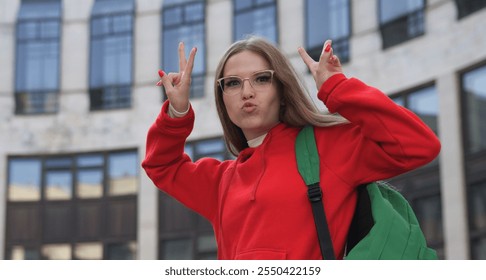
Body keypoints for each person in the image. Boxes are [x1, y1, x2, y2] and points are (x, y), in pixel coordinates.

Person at [142, 37, 441, 260]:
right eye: (232, 83)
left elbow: (419, 145)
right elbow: (162, 166)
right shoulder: (220, 181)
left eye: (261, 79)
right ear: (223, 100)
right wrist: (177, 112)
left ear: (282, 91)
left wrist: (337, 87)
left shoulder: (328, 147)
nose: (247, 92)